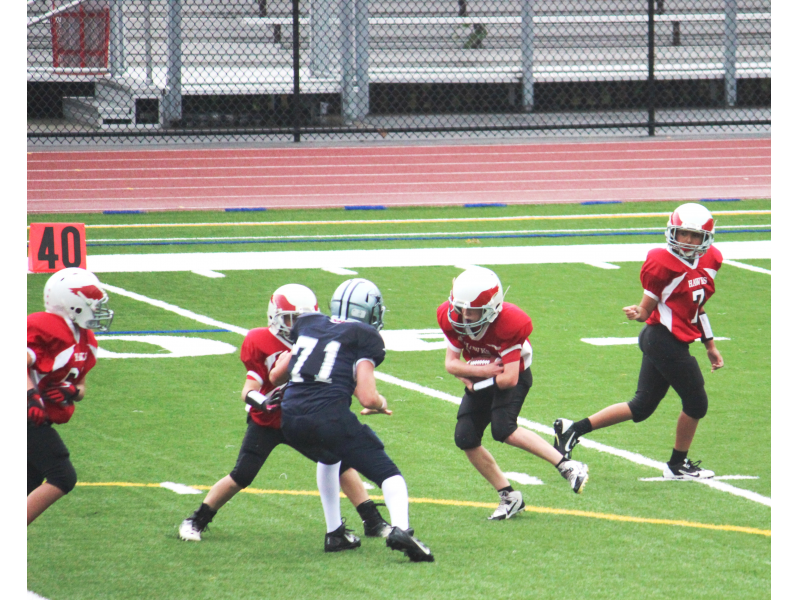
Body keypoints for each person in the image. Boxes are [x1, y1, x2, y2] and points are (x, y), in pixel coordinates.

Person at [179, 284, 390, 546]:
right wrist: (263, 402)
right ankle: (197, 520)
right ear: (275, 316)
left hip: (305, 418)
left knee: (339, 462)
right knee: (241, 475)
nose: (296, 325)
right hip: (268, 421)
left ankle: (373, 521)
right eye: (290, 318)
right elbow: (248, 390)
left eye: (302, 318)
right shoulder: (260, 340)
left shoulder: (318, 335)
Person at [554, 202, 723, 480]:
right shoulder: (662, 262)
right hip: (661, 339)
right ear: (672, 232)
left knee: (641, 406)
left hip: (668, 340)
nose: (688, 241)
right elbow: (647, 307)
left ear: (706, 238)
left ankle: (573, 429)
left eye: (695, 236)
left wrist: (710, 345)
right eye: (683, 234)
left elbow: (697, 307)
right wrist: (638, 312)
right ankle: (677, 465)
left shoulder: (711, 260)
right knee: (696, 403)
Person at [278, 278, 434, 562]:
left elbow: (280, 373)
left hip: (289, 417)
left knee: (329, 458)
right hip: (327, 416)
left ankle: (334, 533)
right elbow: (367, 396)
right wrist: (381, 404)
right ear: (372, 312)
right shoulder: (364, 336)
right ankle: (402, 529)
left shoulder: (310, 323)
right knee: (387, 471)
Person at [437, 266, 589, 521]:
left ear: (492, 308)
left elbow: (508, 379)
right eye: (460, 307)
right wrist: (481, 370)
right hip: (485, 373)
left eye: (472, 310)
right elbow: (450, 364)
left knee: (503, 428)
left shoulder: (509, 322)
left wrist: (474, 377)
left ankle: (568, 466)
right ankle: (508, 496)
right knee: (465, 437)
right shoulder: (449, 314)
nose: (463, 315)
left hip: (514, 374)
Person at [28, 267, 114, 525]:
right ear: (73, 304)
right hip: (26, 414)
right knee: (62, 475)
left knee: (28, 481)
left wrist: (71, 391)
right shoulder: (45, 328)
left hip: (38, 417)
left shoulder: (85, 339)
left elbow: (81, 388)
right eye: (93, 303)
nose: (98, 309)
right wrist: (30, 395)